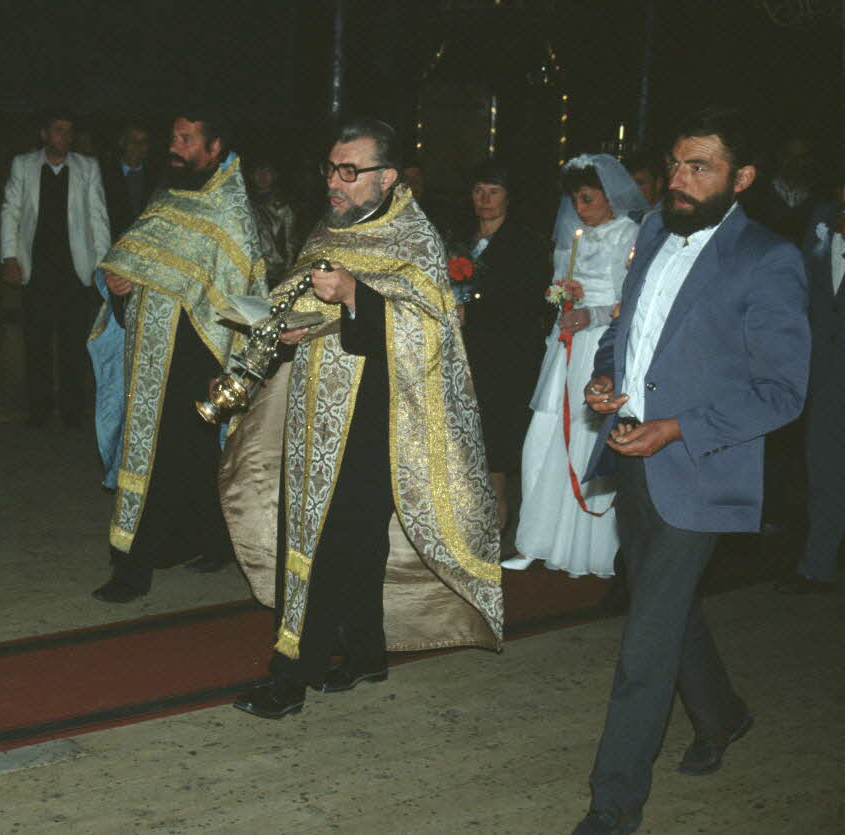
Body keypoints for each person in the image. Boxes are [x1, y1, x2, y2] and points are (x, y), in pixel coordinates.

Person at [572, 107, 809, 835]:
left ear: (742, 178)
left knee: (644, 642)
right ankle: (722, 715)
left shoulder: (768, 258)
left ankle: (614, 804)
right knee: (666, 607)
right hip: (632, 454)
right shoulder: (653, 230)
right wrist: (606, 380)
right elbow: (627, 330)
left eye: (698, 167)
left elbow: (783, 392)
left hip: (699, 470)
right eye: (675, 163)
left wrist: (678, 428)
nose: (677, 179)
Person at [226, 118, 502, 719]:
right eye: (331, 168)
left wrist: (354, 294)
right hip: (317, 414)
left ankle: (290, 678)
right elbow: (309, 298)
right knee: (355, 542)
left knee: (328, 543)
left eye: (350, 171)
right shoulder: (332, 226)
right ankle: (366, 653)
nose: (335, 181)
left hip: (382, 417)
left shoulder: (414, 238)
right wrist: (291, 326)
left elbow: (429, 332)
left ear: (388, 177)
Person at [89, 111, 265, 603]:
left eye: (187, 140)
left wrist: (226, 369)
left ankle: (133, 568)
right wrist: (120, 286)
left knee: (176, 458)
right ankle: (204, 542)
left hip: (198, 355)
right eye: (173, 138)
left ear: (214, 147)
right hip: (149, 350)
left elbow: (238, 289)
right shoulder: (166, 196)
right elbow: (134, 260)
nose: (175, 147)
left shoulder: (229, 211)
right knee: (177, 457)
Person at [506, 153, 646, 578]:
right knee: (545, 434)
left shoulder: (630, 235)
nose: (579, 209)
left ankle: (584, 547)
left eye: (588, 198)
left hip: (600, 345)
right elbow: (562, 285)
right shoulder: (575, 237)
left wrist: (593, 314)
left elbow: (631, 302)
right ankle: (536, 538)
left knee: (586, 438)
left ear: (610, 195)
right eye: (575, 200)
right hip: (567, 343)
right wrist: (563, 298)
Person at [455, 160, 553, 540]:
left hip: (503, 356)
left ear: (508, 197)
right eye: (478, 191)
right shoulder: (459, 238)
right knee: (464, 439)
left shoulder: (527, 243)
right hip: (463, 352)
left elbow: (527, 302)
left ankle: (495, 525)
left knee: (494, 443)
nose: (484, 199)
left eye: (493, 192)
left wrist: (473, 310)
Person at [0, 109, 111, 427]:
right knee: (36, 342)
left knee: (73, 343)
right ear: (44, 134)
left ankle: (72, 411)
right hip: (36, 266)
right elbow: (11, 210)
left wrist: (102, 265)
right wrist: (9, 257)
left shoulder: (87, 167)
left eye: (69, 131)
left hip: (75, 268)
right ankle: (39, 411)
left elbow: (98, 217)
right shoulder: (23, 165)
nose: (66, 137)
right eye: (59, 130)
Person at [778, 168, 845, 594]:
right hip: (824, 370)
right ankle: (816, 565)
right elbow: (801, 286)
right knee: (824, 467)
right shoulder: (821, 218)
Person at [246, 156, 298, 287]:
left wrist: (288, 273)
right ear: (251, 175)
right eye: (258, 171)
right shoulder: (244, 205)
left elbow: (290, 243)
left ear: (275, 175)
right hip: (250, 274)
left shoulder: (284, 206)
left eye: (267, 171)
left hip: (276, 274)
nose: (262, 175)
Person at [101, 121, 154, 239]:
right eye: (133, 140)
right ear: (122, 143)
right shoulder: (104, 176)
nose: (138, 146)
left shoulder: (157, 178)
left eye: (143, 141)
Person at [624, 151, 664, 222]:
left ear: (659, 183)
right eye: (629, 184)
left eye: (639, 183)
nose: (633, 190)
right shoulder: (631, 214)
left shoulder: (665, 219)